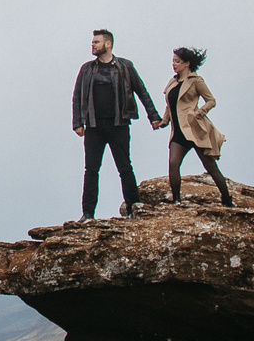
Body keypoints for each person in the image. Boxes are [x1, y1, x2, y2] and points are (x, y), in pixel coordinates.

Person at [72, 29, 161, 220]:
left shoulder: (125, 66)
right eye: (92, 42)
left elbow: (141, 91)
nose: (93, 45)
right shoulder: (87, 69)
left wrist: (153, 116)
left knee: (124, 167)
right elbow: (77, 96)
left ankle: (133, 207)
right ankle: (87, 214)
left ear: (108, 44)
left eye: (96, 42)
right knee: (91, 170)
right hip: (94, 126)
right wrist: (78, 123)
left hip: (118, 124)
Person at [161, 46, 235, 205]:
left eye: (177, 61)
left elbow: (211, 101)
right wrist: (164, 121)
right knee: (173, 163)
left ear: (187, 63)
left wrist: (198, 113)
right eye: (173, 61)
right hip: (178, 131)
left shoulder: (196, 81)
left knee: (210, 166)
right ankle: (176, 200)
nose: (174, 64)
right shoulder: (173, 82)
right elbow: (170, 105)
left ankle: (227, 199)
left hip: (194, 130)